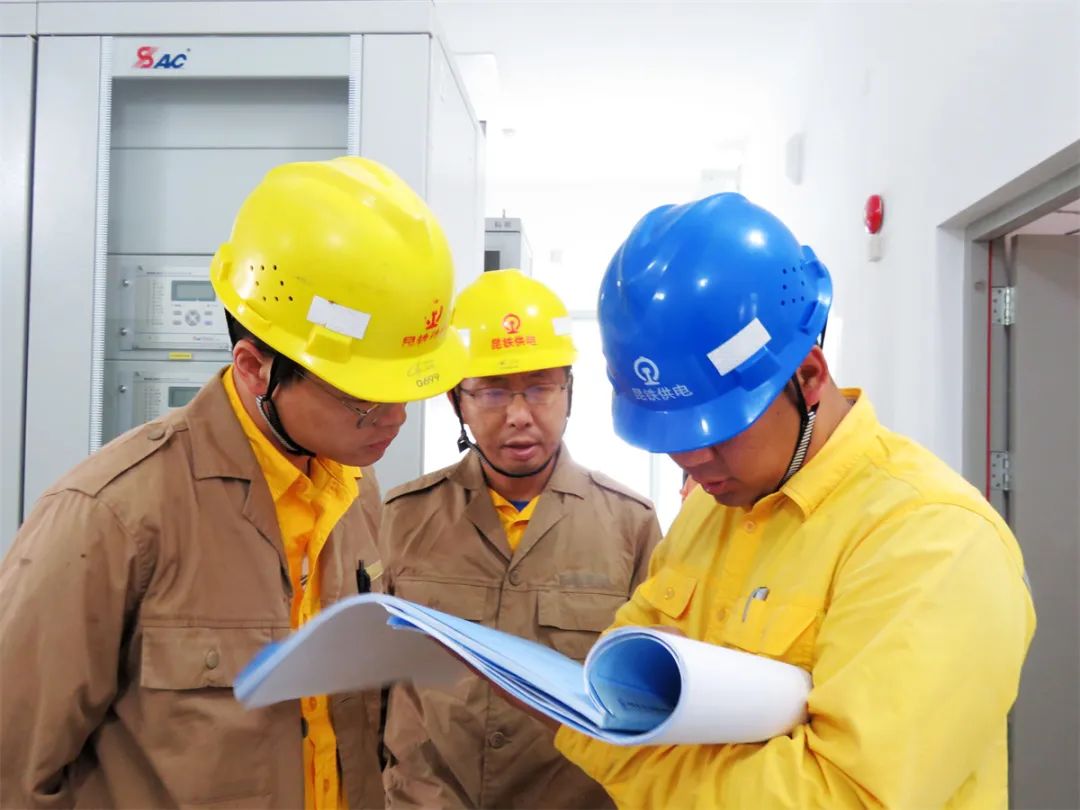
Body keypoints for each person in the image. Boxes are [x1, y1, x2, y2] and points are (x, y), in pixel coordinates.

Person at [0, 156, 467, 809]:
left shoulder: (353, 491)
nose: (393, 419)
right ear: (255, 367)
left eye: (405, 390)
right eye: (363, 396)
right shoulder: (112, 518)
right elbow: (14, 772)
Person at [550, 193, 1036, 808]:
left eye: (718, 428)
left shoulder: (933, 541)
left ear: (808, 376)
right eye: (670, 435)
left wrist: (642, 768)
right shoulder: (710, 507)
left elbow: (844, 795)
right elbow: (609, 695)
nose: (689, 460)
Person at [378, 269, 663, 809]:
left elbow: (653, 697)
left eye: (540, 388)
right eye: (491, 391)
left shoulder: (632, 525)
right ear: (456, 401)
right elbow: (370, 681)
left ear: (569, 393)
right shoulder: (401, 519)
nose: (518, 416)